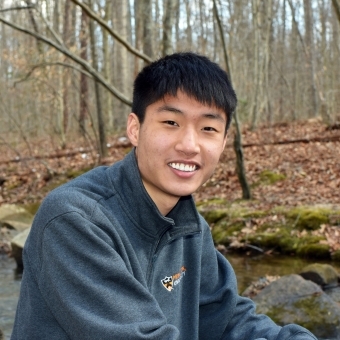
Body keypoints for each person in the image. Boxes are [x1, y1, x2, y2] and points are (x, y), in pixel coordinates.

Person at [11, 52, 317, 340]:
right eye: (171, 122)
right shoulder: (74, 219)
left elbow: (226, 321)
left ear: (224, 142)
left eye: (208, 128)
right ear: (135, 128)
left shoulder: (191, 228)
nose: (189, 145)